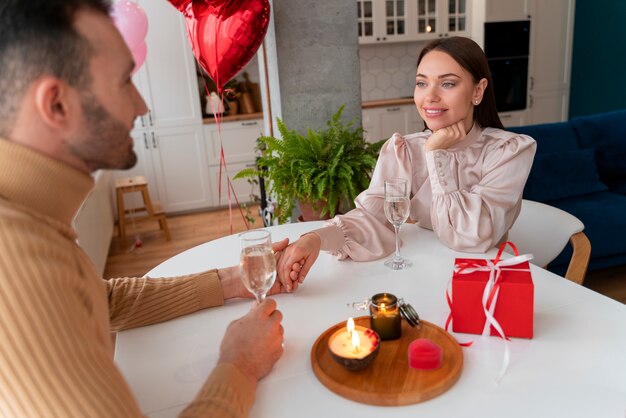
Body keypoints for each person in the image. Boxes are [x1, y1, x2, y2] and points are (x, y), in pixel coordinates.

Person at [0, 1, 286, 417]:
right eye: (124, 82)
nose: (141, 106)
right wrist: (239, 364)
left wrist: (234, 280)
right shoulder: (17, 260)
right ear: (57, 104)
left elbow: (103, 299)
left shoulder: (33, 219)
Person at [278, 36, 537, 290]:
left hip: (483, 286)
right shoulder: (404, 150)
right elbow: (374, 219)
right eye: (422, 84)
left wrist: (436, 154)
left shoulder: (508, 152)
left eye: (447, 84)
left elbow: (469, 237)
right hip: (423, 277)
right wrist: (315, 239)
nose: (430, 97)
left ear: (477, 91)